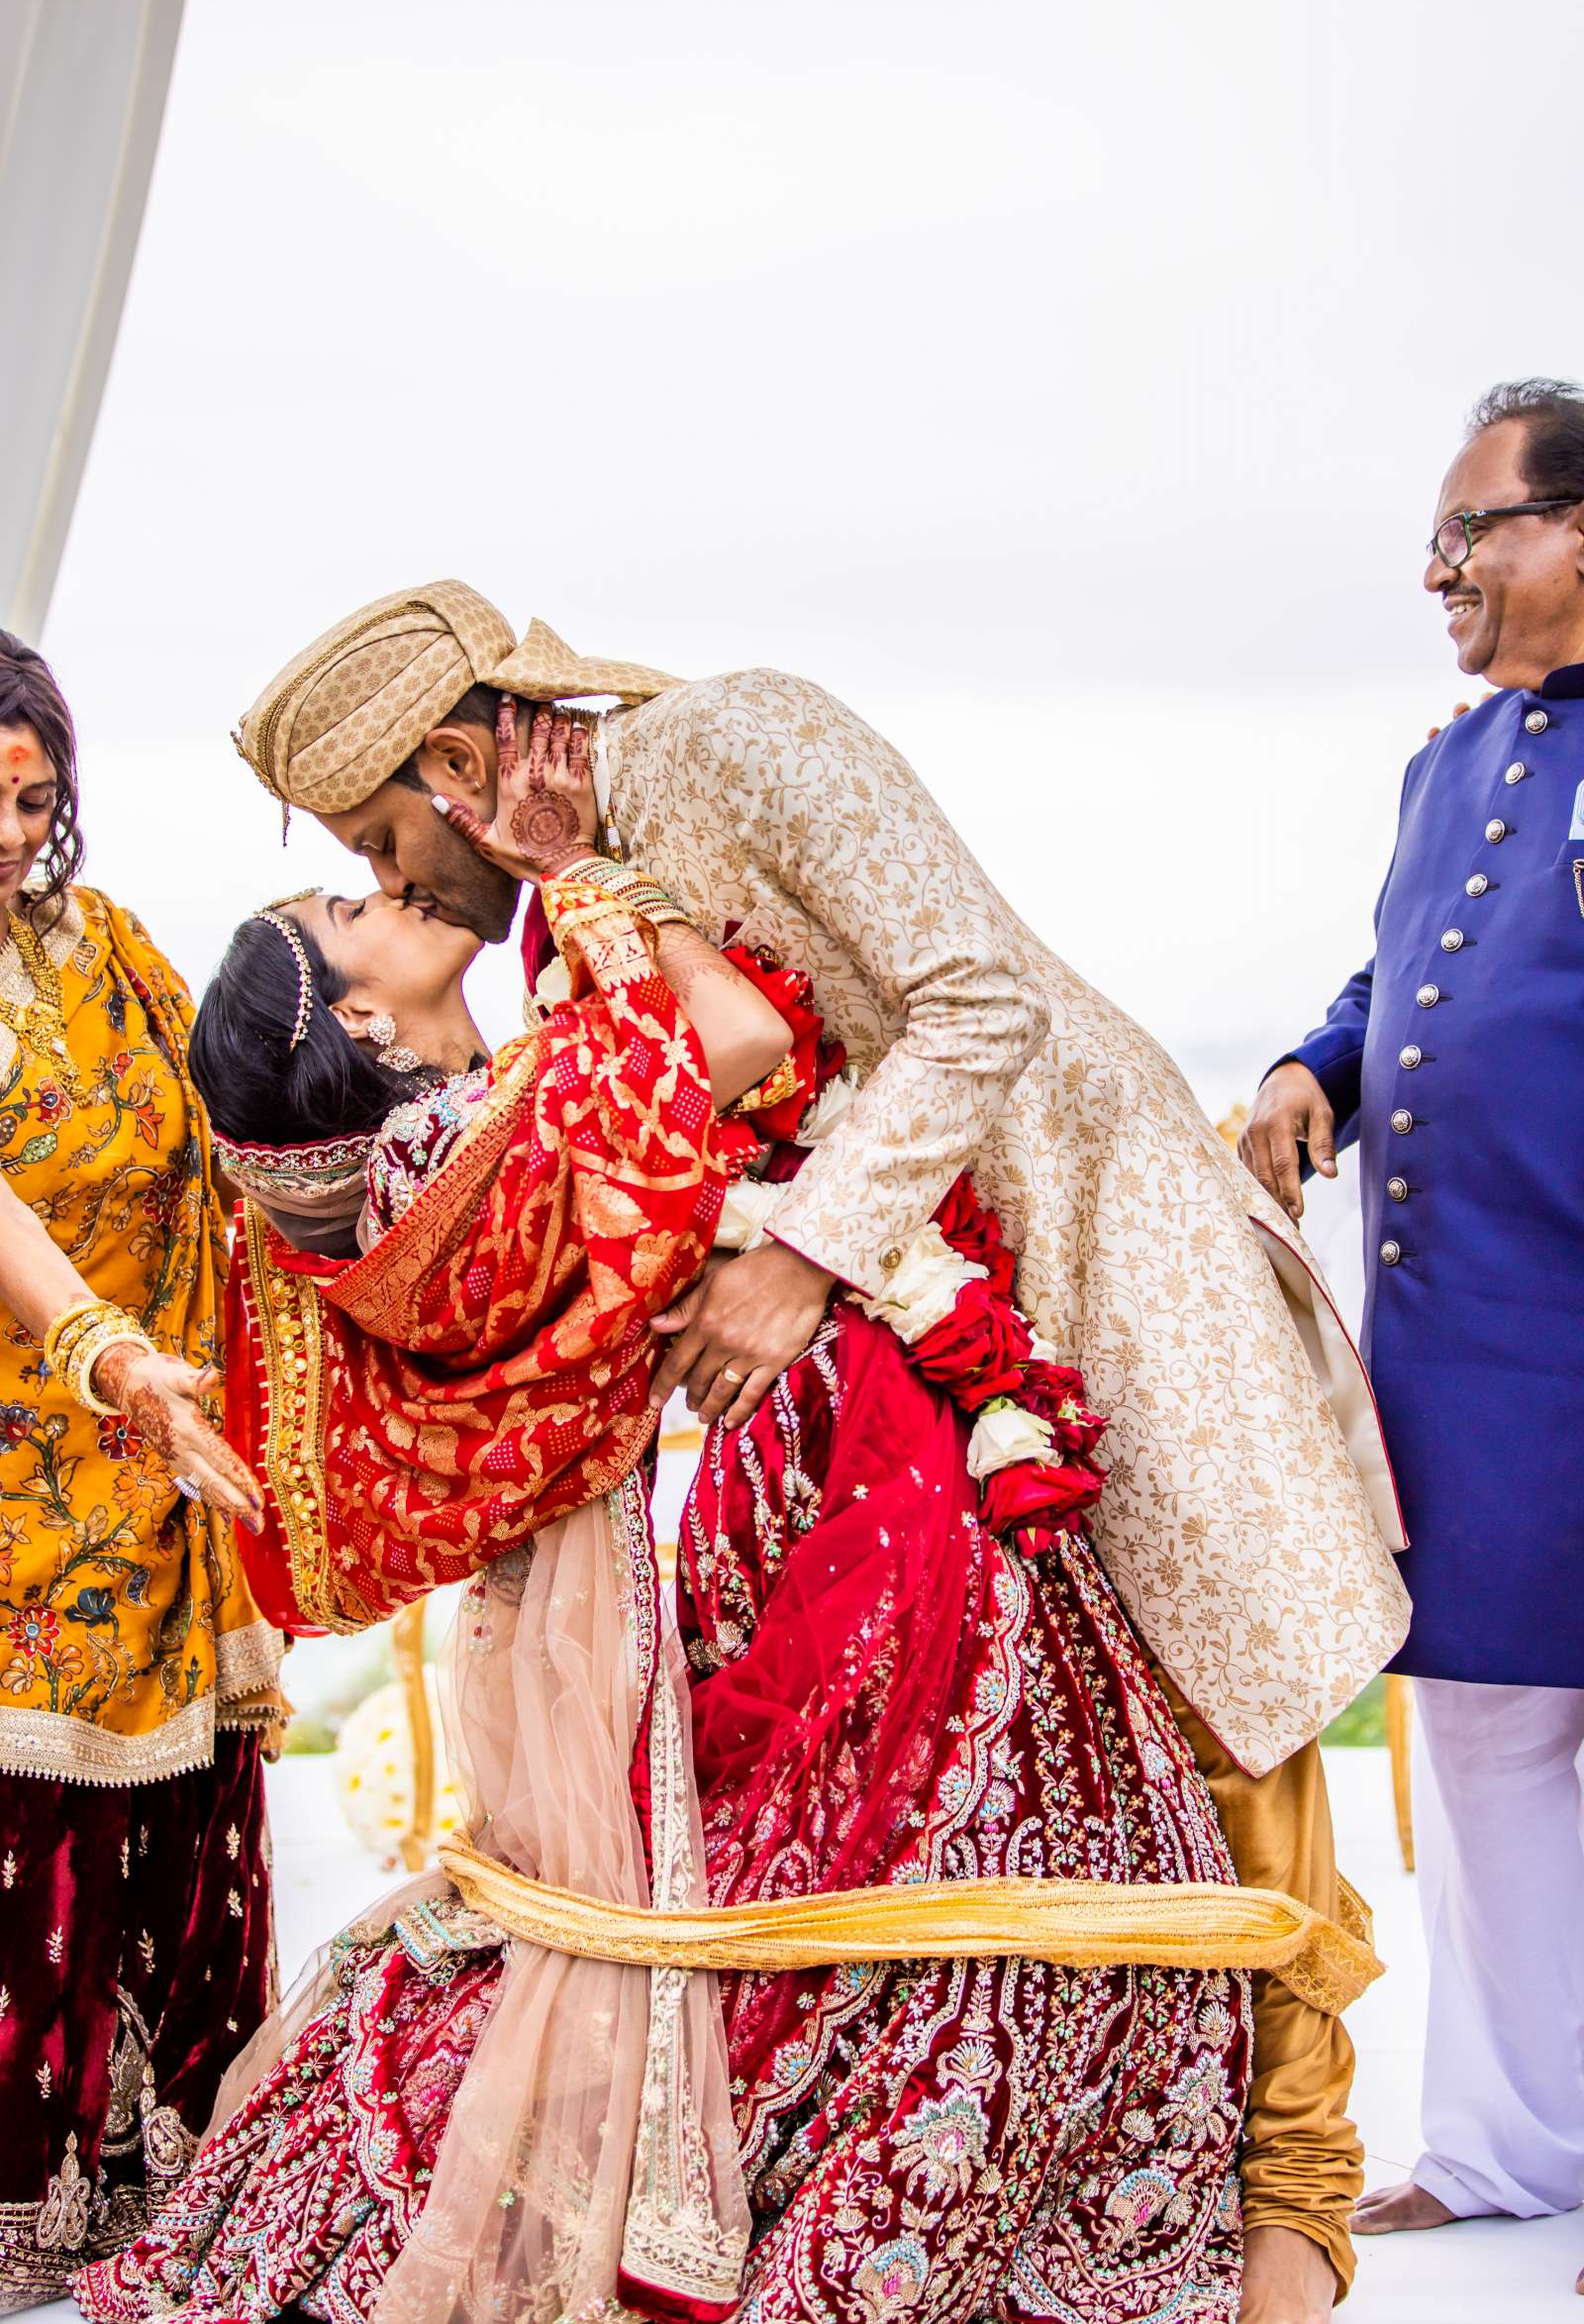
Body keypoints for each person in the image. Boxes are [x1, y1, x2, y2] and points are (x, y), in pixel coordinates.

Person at [224, 584, 1407, 2323]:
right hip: (926, 1353)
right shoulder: (581, 905)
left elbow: (976, 1000)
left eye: (389, 844)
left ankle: (1299, 2224)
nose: (402, 891)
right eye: (372, 876)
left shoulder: (739, 733)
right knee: (1113, 1753)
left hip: (1101, 1240)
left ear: (462, 759)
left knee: (1241, 1710)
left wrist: (801, 1258)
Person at [1241, 377, 1584, 2294]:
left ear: (1579, 533)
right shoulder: (1440, 762)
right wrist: (1310, 1068)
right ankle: (1508, 2137)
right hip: (1453, 1351)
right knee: (1475, 1744)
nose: (1437, 567)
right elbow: (1400, 966)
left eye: (1474, 530)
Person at [0, 634, 283, 2310]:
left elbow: (233, 1135)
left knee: (171, 1840)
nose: (11, 835)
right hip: (22, 1485)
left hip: (156, 1466)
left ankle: (159, 2207)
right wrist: (101, 1347)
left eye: (33, 799)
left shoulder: (104, 944)